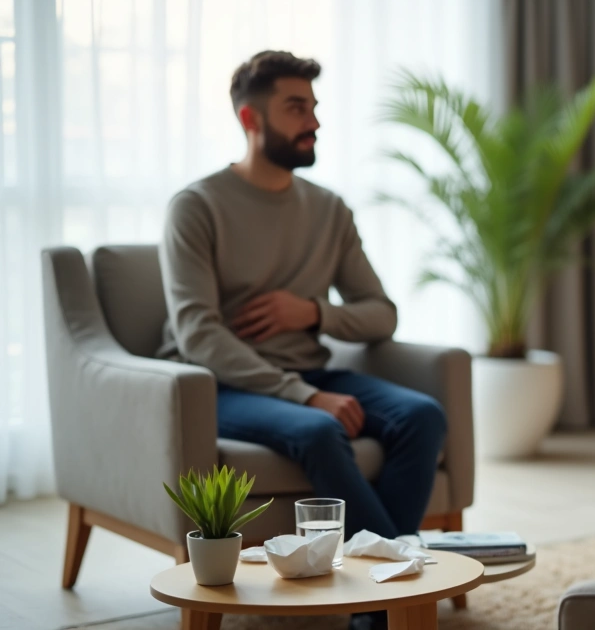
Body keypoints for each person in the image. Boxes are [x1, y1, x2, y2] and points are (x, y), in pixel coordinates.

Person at [157, 50, 447, 542]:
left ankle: (373, 595)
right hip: (220, 385)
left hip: (308, 369)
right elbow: (197, 334)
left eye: (313, 106)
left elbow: (382, 315)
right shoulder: (196, 207)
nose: (314, 121)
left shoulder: (328, 209)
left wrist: (312, 313)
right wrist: (306, 396)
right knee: (317, 429)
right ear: (251, 118)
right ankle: (389, 601)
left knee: (422, 416)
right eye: (296, 108)